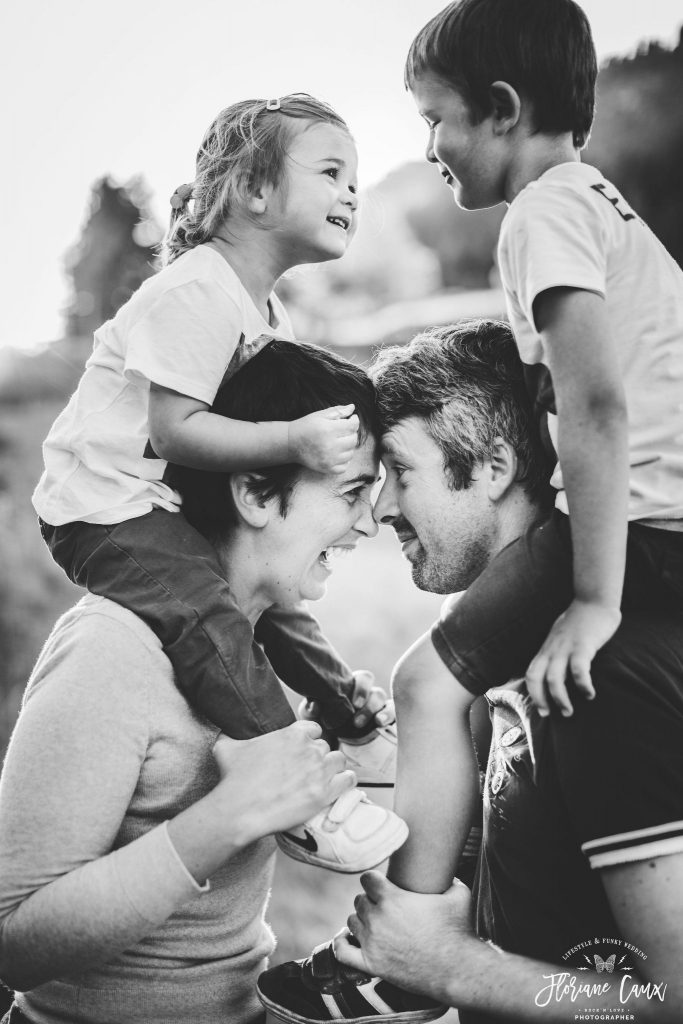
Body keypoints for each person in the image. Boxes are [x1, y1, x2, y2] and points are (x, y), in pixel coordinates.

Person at [257, 322, 683, 1023]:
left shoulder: (598, 676)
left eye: (398, 471)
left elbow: (668, 1003)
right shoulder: (495, 673)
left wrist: (449, 968)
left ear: (492, 465)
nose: (380, 507)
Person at [31, 94, 404, 872]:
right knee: (208, 611)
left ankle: (349, 712)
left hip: (162, 498)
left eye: (355, 179)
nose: (350, 193)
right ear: (253, 189)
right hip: (107, 506)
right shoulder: (199, 289)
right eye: (331, 172)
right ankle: (295, 784)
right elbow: (175, 430)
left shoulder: (263, 309)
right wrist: (292, 438)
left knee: (271, 605)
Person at [0, 340, 399, 1024]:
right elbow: (13, 944)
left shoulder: (261, 645)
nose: (368, 522)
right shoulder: (110, 651)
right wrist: (227, 814)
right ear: (254, 491)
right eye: (352, 492)